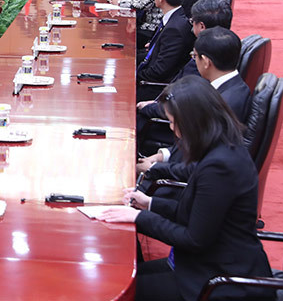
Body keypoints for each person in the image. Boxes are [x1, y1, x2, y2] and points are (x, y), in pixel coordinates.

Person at [98, 76, 273, 301]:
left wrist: (139, 217)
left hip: (220, 279)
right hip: (201, 264)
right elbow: (194, 212)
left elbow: (194, 239)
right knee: (122, 276)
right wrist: (149, 203)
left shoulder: (219, 167)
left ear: (192, 122)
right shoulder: (222, 147)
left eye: (173, 122)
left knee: (117, 289)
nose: (172, 129)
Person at [138, 27, 252, 174]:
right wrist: (162, 156)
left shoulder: (222, 104)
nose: (194, 60)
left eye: (194, 56)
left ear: (206, 62)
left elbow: (200, 164)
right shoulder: (231, 87)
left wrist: (153, 168)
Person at [136, 0, 195, 101]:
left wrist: (132, 75)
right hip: (150, 71)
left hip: (156, 89)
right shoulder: (175, 16)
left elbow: (159, 71)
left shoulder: (175, 29)